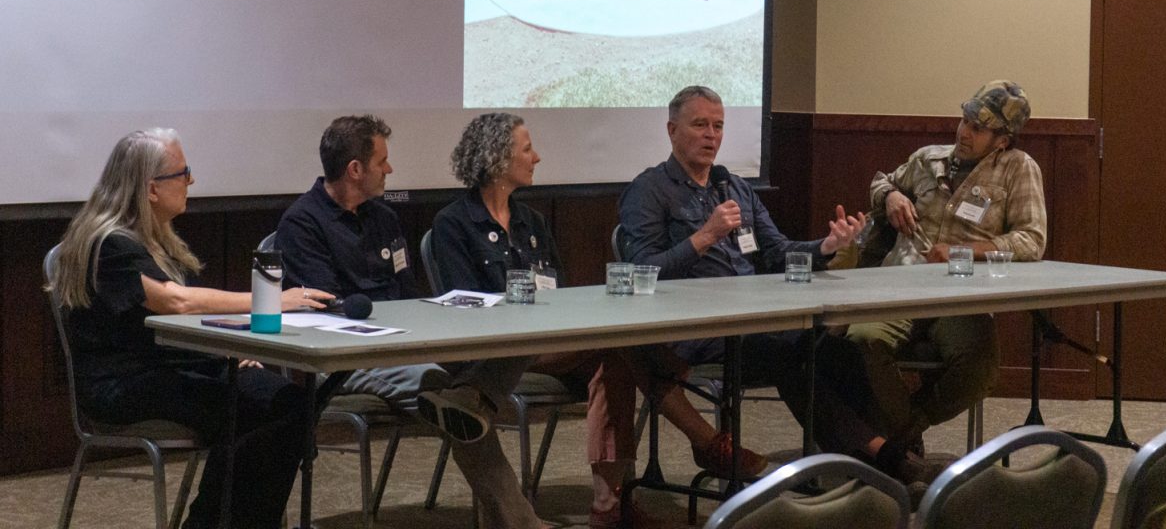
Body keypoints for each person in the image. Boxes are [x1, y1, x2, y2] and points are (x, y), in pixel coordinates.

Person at [432, 112, 768, 528]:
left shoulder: (532, 222)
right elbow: (461, 305)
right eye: (527, 149)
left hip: (554, 340)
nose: (536, 157)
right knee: (621, 342)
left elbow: (560, 288)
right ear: (497, 158)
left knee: (616, 357)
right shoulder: (453, 224)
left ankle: (609, 509)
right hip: (499, 353)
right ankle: (700, 442)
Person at [618, 85, 943, 488]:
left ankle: (875, 462)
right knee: (796, 351)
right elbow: (640, 271)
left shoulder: (734, 187)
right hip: (695, 330)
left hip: (756, 319)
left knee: (839, 347)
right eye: (700, 125)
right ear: (671, 130)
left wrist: (826, 247)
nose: (711, 136)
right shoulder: (648, 191)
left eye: (718, 126)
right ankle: (884, 460)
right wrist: (704, 236)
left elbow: (777, 252)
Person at [50, 128, 331, 529]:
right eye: (183, 173)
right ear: (151, 188)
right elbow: (176, 302)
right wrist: (272, 301)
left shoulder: (153, 239)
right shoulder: (109, 243)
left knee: (290, 404)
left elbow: (184, 318)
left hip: (177, 365)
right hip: (125, 381)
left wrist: (230, 348)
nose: (191, 181)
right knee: (252, 413)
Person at [275, 115, 542, 529]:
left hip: (409, 345)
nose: (390, 170)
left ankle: (470, 395)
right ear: (355, 170)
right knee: (449, 404)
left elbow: (407, 292)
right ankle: (520, 524)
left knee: (509, 348)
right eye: (383, 161)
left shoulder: (384, 218)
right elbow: (325, 310)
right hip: (350, 359)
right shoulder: (302, 223)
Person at [847, 80, 1047, 448]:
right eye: (964, 121)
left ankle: (907, 429)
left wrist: (966, 251)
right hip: (903, 284)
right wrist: (890, 196)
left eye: (977, 128)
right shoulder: (928, 159)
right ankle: (903, 438)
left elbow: (1031, 240)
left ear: (1002, 139)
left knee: (979, 368)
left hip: (962, 295)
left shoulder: (1018, 169)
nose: (964, 132)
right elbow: (879, 183)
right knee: (861, 339)